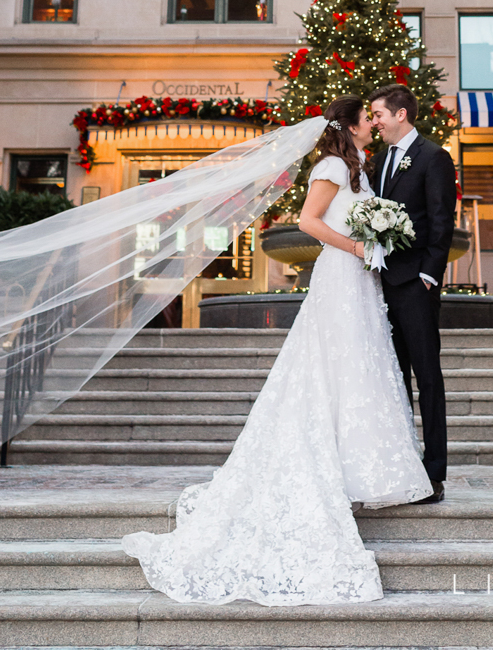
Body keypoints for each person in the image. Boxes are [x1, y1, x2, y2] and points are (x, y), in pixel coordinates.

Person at [121, 95, 431, 604]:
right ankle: (336, 463)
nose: (373, 126)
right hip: (340, 275)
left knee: (359, 367)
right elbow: (310, 222)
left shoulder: (356, 167)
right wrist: (357, 245)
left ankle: (365, 467)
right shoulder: (332, 164)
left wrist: (375, 239)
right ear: (351, 125)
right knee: (335, 364)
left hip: (359, 281)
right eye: (366, 120)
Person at [369, 83, 458, 504]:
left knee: (427, 377)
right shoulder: (380, 159)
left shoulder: (434, 157)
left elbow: (442, 220)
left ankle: (434, 472)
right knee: (393, 378)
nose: (375, 121)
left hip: (416, 286)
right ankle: (403, 466)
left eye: (379, 114)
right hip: (382, 284)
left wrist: (429, 275)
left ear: (400, 114)